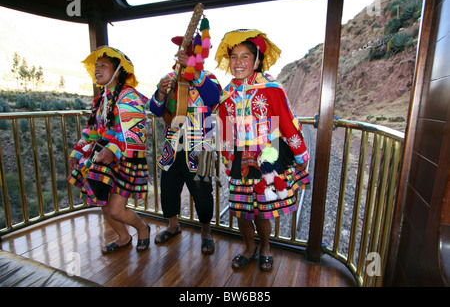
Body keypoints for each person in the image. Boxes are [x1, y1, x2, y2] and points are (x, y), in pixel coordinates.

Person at [215, 29, 311, 271]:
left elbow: (287, 123)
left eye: (244, 56)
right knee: (241, 210)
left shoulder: (271, 88)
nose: (238, 62)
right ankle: (249, 247)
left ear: (257, 60)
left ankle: (266, 247)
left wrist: (301, 155)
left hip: (269, 154)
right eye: (234, 57)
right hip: (240, 156)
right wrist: (227, 159)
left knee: (262, 210)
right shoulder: (226, 94)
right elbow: (226, 130)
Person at [68, 46, 150, 254]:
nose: (97, 69)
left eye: (103, 65)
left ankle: (142, 229)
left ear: (117, 71)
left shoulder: (128, 96)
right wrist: (77, 153)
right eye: (96, 65)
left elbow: (136, 131)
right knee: (102, 200)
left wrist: (113, 150)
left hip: (124, 158)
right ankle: (123, 237)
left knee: (115, 209)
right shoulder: (101, 99)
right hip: (103, 158)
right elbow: (92, 131)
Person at [149, 36, 221, 255]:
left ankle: (206, 231)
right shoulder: (168, 78)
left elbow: (214, 97)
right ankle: (173, 225)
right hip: (173, 144)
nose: (183, 56)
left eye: (189, 54)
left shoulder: (208, 78)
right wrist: (160, 93)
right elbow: (154, 109)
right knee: (169, 188)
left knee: (203, 191)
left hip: (202, 146)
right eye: (182, 53)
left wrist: (195, 73)